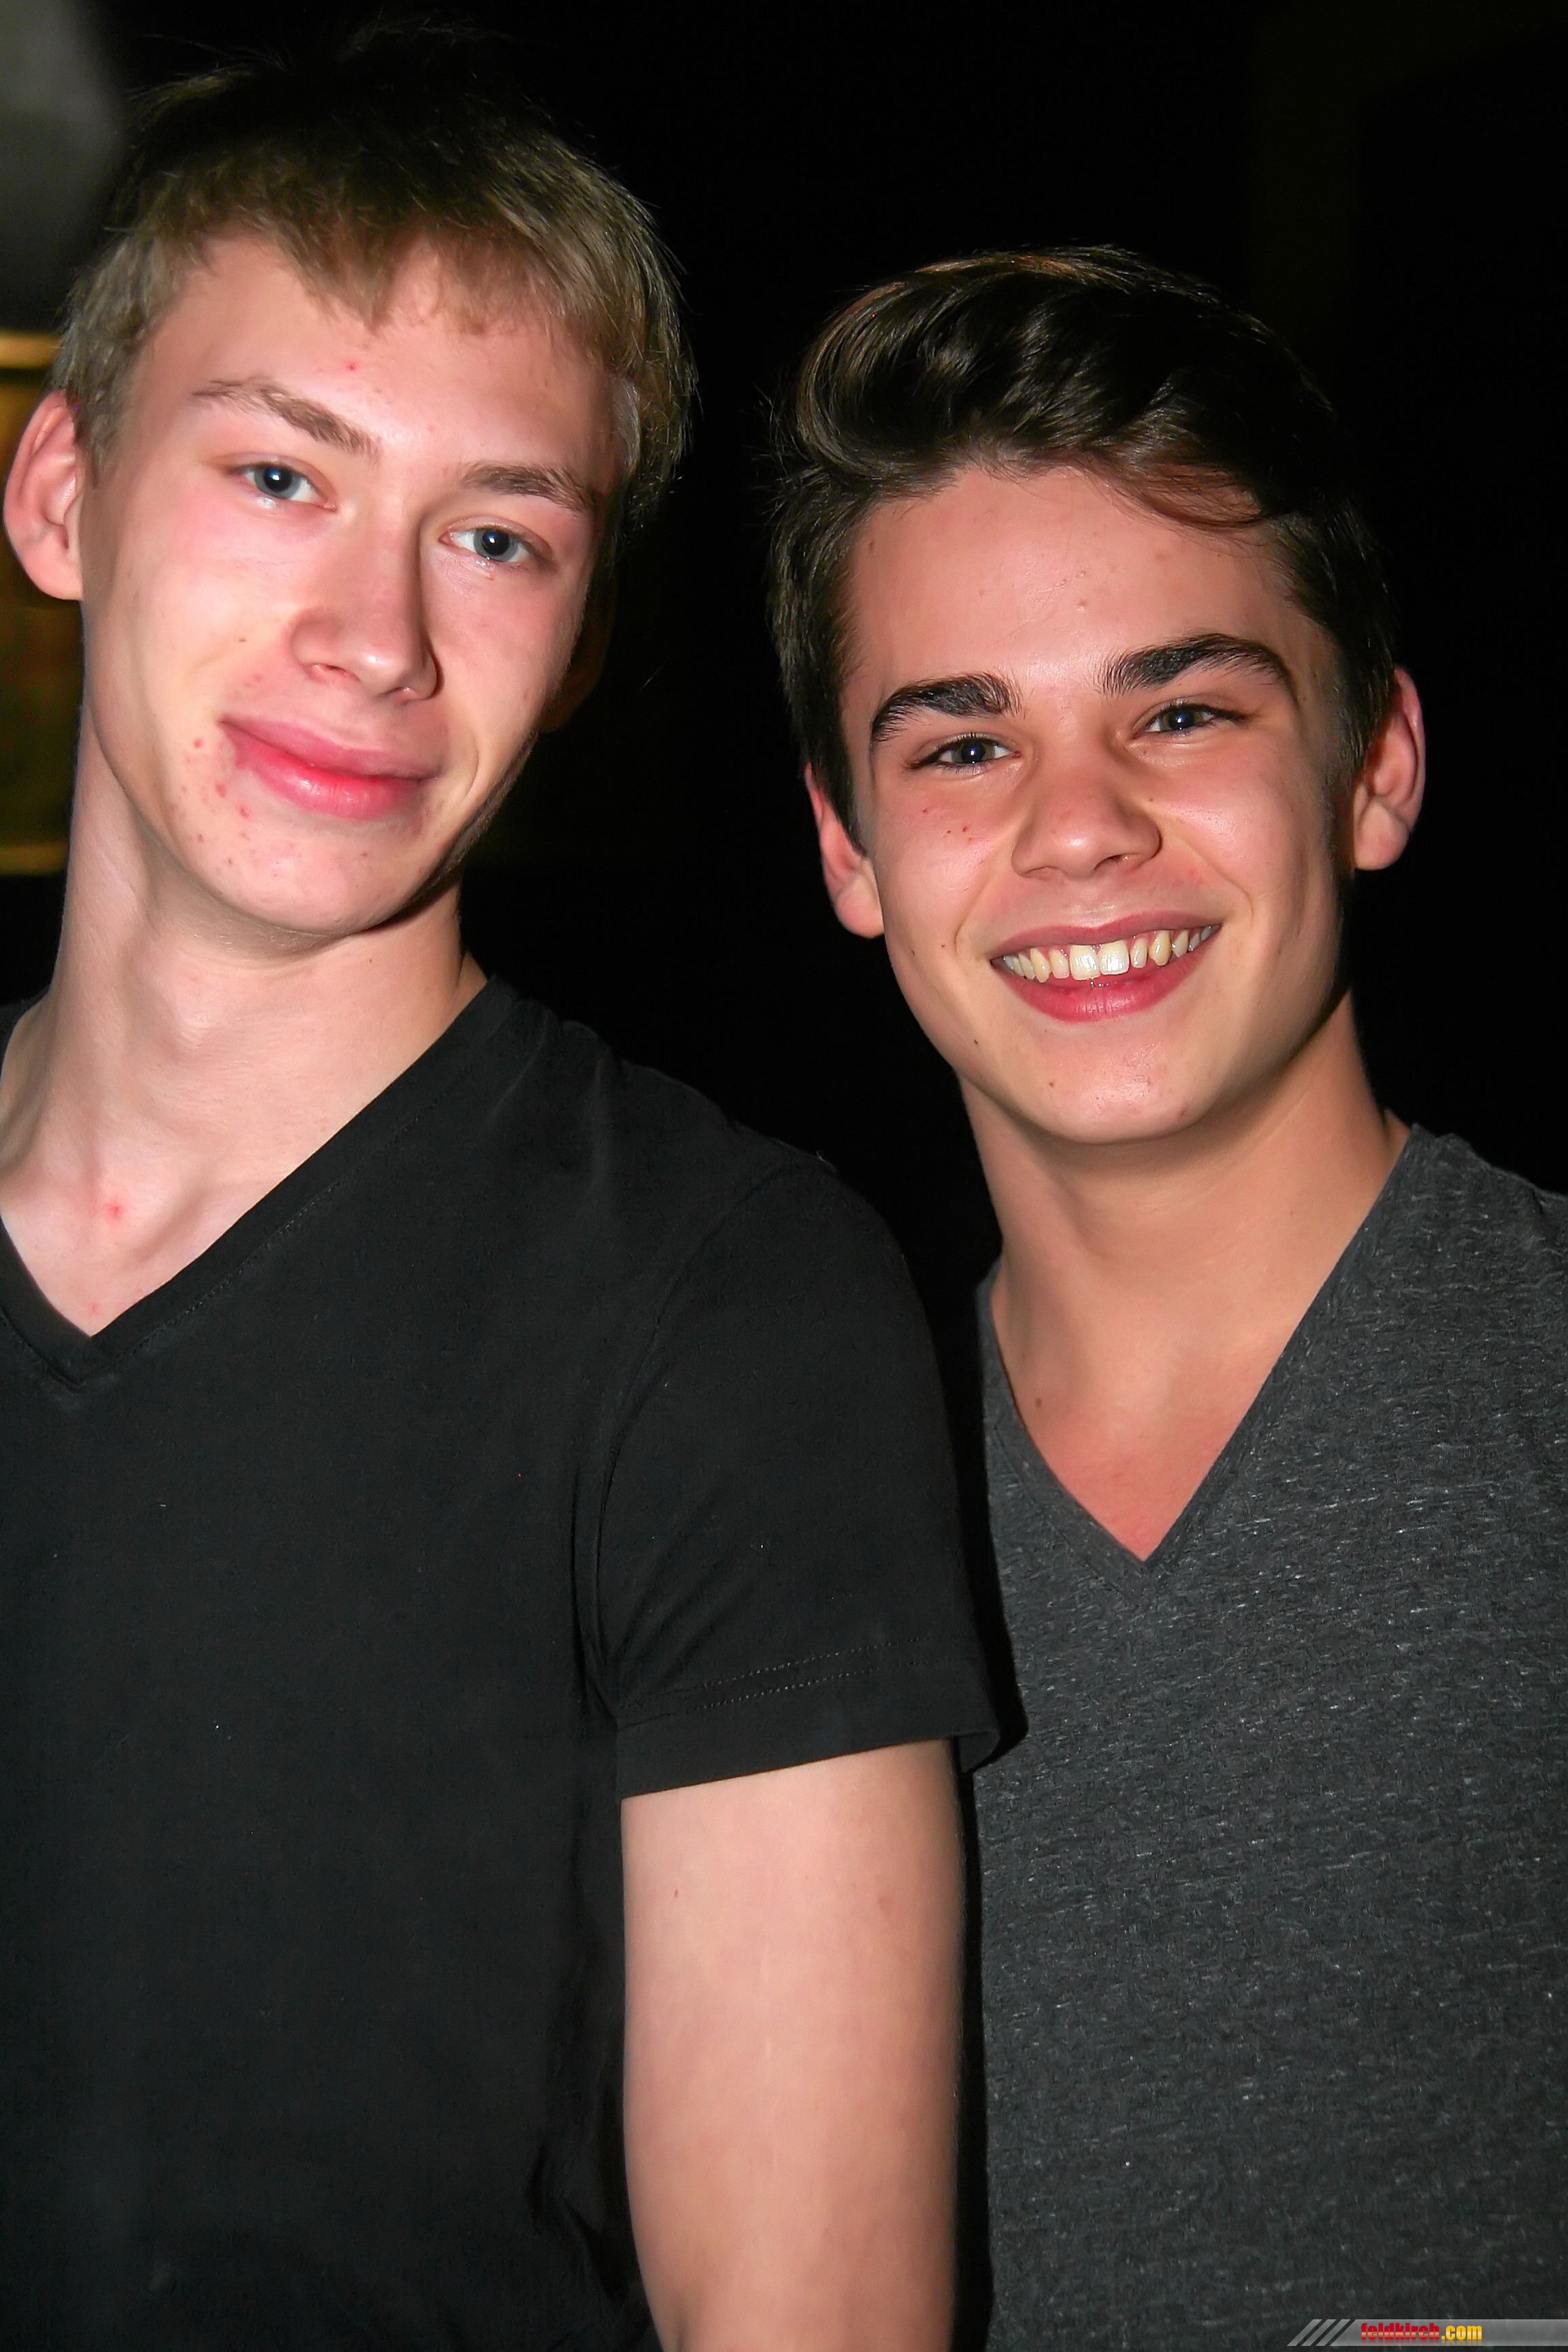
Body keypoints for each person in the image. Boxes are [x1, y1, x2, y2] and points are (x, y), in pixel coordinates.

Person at [0, 35, 996, 2351]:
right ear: (61, 492)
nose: (378, 637)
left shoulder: (731, 1312)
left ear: (581, 638)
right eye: (278, 473)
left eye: (498, 536)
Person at [768, 250, 1568, 2345]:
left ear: (1376, 766)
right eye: (964, 745)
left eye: (1183, 712)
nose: (1080, 830)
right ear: (849, 852)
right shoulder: (762, 1520)